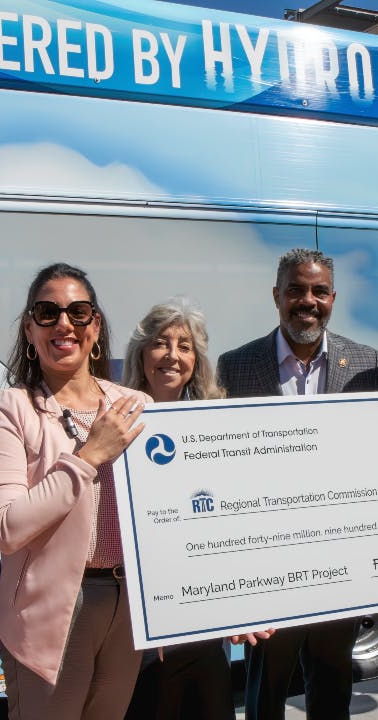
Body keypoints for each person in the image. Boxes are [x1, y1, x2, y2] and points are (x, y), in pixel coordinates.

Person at [0, 263, 149, 719]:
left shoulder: (137, 407)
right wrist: (89, 456)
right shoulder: (9, 408)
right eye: (47, 313)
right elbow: (6, 527)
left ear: (96, 326)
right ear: (30, 329)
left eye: (79, 311)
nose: (64, 324)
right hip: (53, 615)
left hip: (128, 609)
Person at [216, 248, 378, 720]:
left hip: (341, 562)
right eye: (295, 289)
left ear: (333, 298)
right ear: (276, 295)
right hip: (269, 563)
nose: (307, 300)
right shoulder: (237, 366)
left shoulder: (367, 364)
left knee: (332, 691)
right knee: (264, 691)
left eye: (319, 291)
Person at [121, 297, 234, 720]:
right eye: (160, 343)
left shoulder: (214, 422)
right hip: (142, 626)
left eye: (184, 345)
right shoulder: (116, 418)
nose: (172, 355)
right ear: (141, 353)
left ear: (197, 359)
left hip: (203, 618)